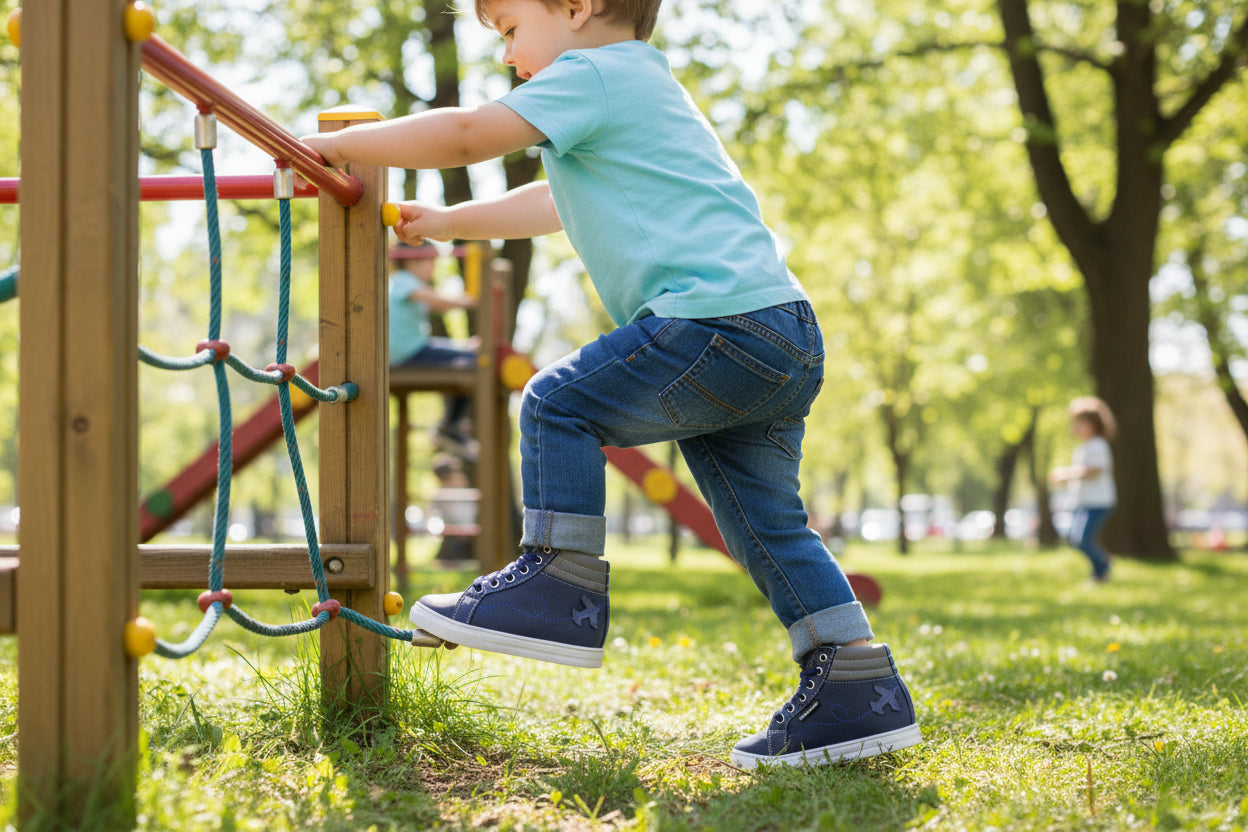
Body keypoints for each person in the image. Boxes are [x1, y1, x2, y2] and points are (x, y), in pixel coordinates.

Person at [302, 0, 920, 768]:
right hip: (777, 334)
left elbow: (465, 133)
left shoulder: (591, 73)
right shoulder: (638, 87)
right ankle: (858, 687)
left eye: (510, 30)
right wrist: (452, 222)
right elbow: (553, 202)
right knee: (765, 525)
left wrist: (335, 144)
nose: (507, 57)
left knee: (557, 402)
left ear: (577, 6)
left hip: (714, 326)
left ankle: (559, 583)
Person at [389, 241, 479, 459]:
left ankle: (451, 424)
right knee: (472, 362)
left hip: (411, 348)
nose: (433, 268)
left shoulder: (406, 283)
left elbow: (438, 306)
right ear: (412, 262)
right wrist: (467, 301)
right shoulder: (403, 280)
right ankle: (450, 424)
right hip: (407, 352)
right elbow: (438, 302)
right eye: (430, 262)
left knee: (468, 354)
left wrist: (463, 346)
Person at [1051, 396, 1117, 582]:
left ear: (1094, 424)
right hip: (1085, 501)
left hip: (1099, 502)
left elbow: (1095, 469)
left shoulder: (1098, 445)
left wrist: (1066, 474)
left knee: (1081, 538)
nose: (1076, 427)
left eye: (1081, 423)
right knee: (1077, 538)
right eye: (1075, 423)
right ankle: (1101, 565)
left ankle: (1102, 568)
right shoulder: (1084, 447)